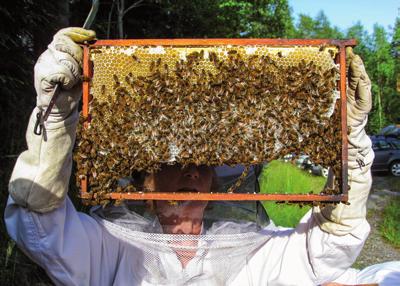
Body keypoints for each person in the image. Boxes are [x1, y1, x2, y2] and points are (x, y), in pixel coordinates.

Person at [4, 27, 378, 285]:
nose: (193, 173)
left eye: (203, 165)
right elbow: (38, 224)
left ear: (216, 181)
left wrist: (350, 137)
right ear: (145, 183)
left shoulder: (248, 246)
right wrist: (55, 117)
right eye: (175, 164)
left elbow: (331, 244)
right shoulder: (111, 247)